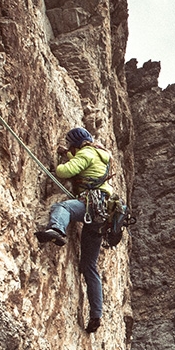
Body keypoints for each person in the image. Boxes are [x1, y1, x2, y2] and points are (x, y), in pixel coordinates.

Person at [35, 127, 113, 333]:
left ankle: (57, 230)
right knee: (89, 267)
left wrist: (63, 160)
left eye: (71, 145)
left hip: (92, 204)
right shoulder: (100, 155)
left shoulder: (86, 154)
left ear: (76, 143)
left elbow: (64, 172)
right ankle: (96, 314)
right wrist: (68, 154)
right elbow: (84, 164)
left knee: (63, 207)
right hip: (102, 215)